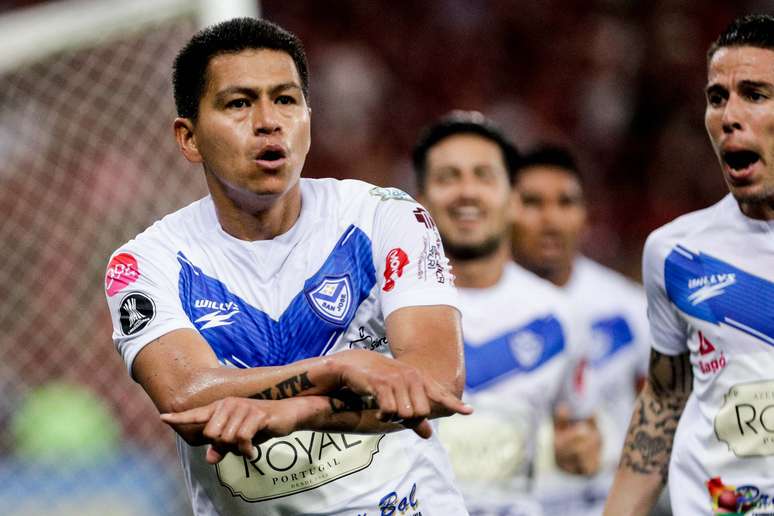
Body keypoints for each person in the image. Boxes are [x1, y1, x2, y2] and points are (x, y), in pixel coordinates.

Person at [103, 17, 473, 516]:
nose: (268, 121)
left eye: (285, 99)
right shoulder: (146, 262)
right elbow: (188, 399)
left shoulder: (385, 216)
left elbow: (437, 382)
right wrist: (339, 367)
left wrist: (300, 409)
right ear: (188, 138)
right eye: (239, 103)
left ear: (308, 119)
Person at [604, 14, 774, 516]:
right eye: (718, 97)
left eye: (755, 94)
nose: (728, 116)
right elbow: (664, 399)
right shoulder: (675, 252)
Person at [412, 111, 601, 516]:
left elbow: (581, 435)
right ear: (421, 200)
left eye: (484, 175)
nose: (467, 192)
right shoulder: (382, 311)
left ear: (513, 198)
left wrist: (580, 451)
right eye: (448, 177)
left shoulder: (559, 317)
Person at [509, 145, 650, 515]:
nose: (550, 219)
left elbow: (669, 408)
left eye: (566, 202)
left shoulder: (628, 308)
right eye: (533, 202)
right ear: (505, 211)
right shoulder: (478, 313)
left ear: (585, 215)